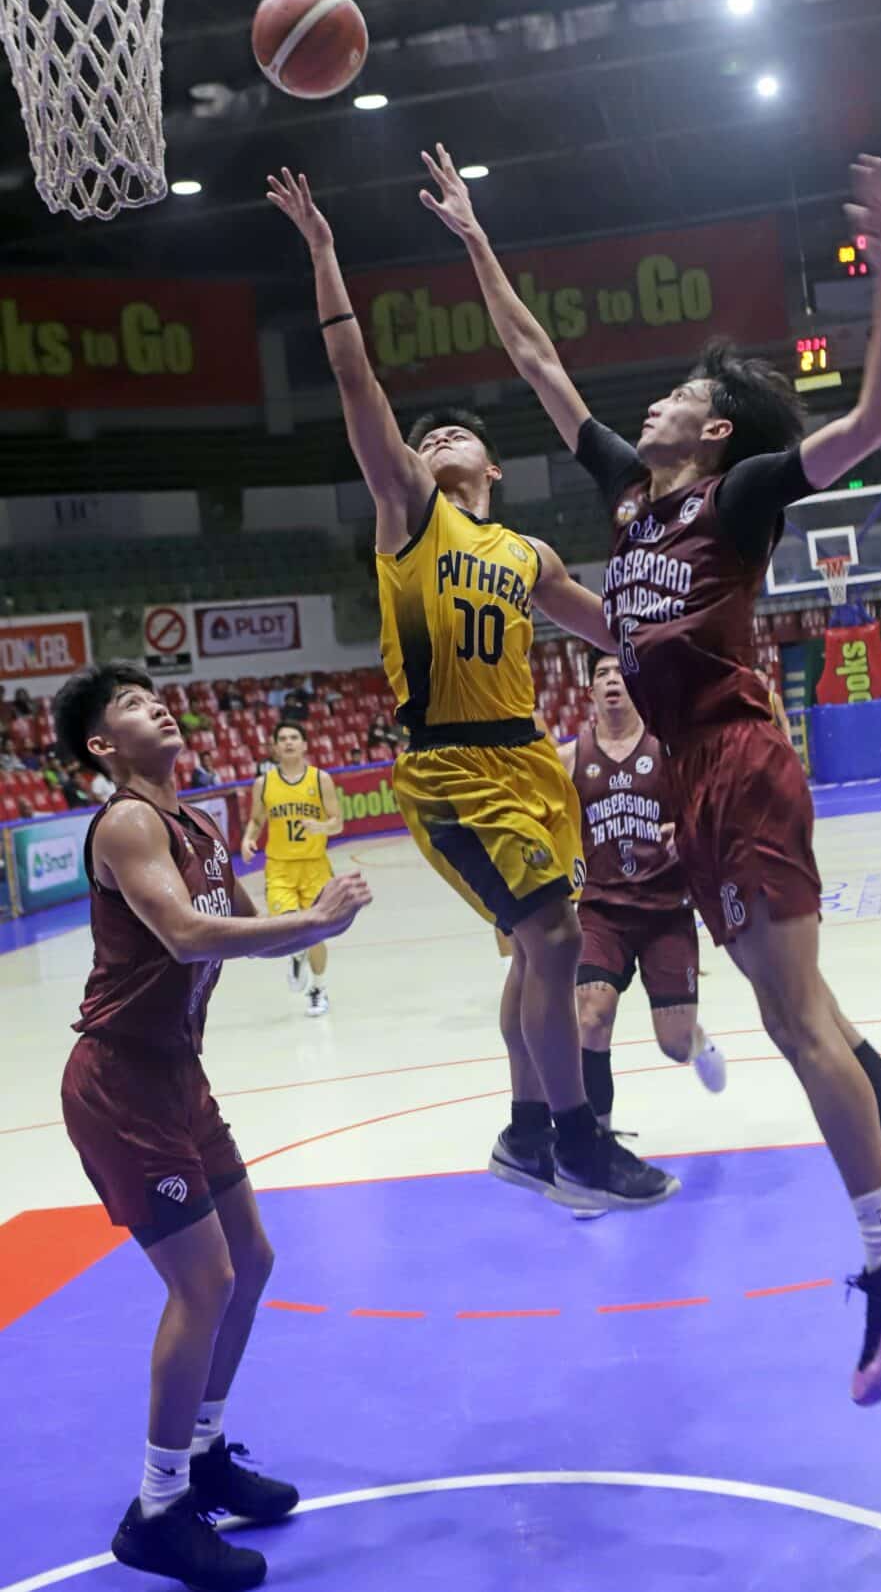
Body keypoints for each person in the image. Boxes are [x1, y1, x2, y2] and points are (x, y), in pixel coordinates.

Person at [422, 144, 881, 1399]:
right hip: (691, 779)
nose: (652, 405)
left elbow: (873, 423)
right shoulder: (631, 500)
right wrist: (476, 237)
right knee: (821, 1016)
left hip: (737, 761)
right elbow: (536, 360)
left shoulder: (737, 494)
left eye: (679, 395)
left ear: (717, 427)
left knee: (795, 1023)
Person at [267, 165, 675, 1213]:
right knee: (551, 940)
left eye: (457, 432)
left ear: (493, 463)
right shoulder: (407, 507)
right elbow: (359, 384)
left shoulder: (526, 549)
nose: (438, 434)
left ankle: (523, 1126)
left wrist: (694, 631)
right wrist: (323, 253)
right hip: (450, 763)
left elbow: (615, 628)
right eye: (428, 431)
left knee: (530, 955)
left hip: (530, 763)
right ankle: (577, 1139)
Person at [54, 662, 371, 1590]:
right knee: (206, 1283)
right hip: (120, 1084)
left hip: (176, 1076)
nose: (156, 703)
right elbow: (187, 933)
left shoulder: (195, 820)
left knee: (253, 1261)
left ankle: (201, 1454)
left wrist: (306, 924)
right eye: (130, 704)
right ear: (103, 747)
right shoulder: (127, 822)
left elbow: (226, 923)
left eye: (157, 694)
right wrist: (309, 921)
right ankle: (157, 1509)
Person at [556, 650, 726, 1134]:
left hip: (666, 908)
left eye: (619, 673)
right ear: (590, 692)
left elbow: (707, 809)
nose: (611, 681)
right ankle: (598, 1144)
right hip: (600, 910)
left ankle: (696, 1044)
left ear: (636, 686)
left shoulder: (668, 750)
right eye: (601, 674)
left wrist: (688, 834)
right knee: (591, 1017)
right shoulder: (570, 758)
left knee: (672, 1044)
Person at [241, 719, 345, 1017]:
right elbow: (257, 820)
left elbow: (338, 822)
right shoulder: (263, 783)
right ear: (274, 747)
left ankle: (318, 989)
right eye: (282, 738)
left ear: (304, 745)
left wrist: (321, 825)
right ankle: (297, 953)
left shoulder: (320, 779)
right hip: (280, 867)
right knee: (287, 927)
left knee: (315, 931)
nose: (288, 742)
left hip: (315, 867)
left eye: (294, 737)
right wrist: (248, 840)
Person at [753, 664, 793, 747]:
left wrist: (789, 739)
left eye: (760, 675)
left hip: (772, 741)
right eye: (755, 676)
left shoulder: (774, 698)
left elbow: (784, 720)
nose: (758, 678)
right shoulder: (749, 699)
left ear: (766, 678)